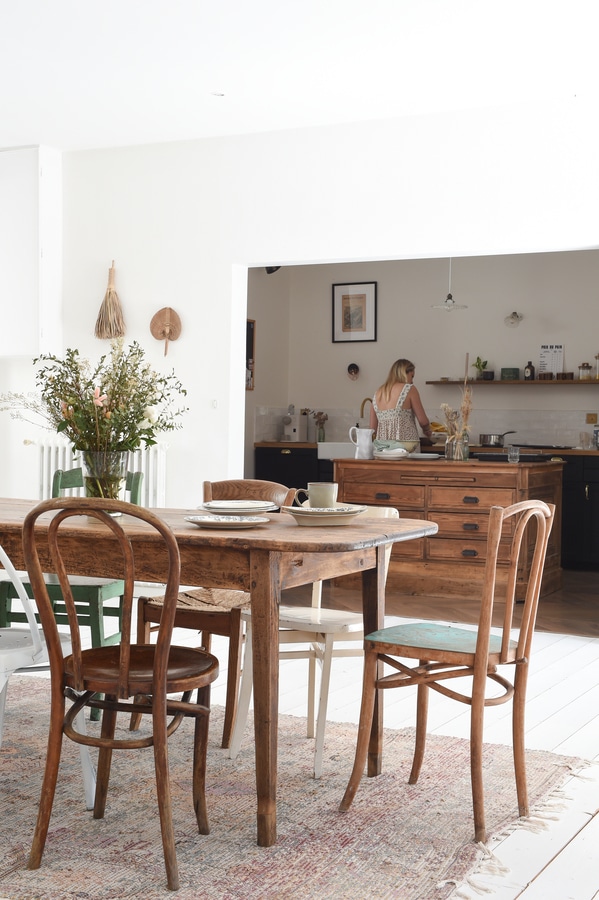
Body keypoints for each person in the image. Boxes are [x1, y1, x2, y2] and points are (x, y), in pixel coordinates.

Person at [370, 358, 433, 447]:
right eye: (412, 376)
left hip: (383, 448)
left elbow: (372, 430)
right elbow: (423, 422)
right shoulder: (409, 389)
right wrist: (427, 430)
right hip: (406, 447)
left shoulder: (378, 393)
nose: (412, 381)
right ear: (405, 373)